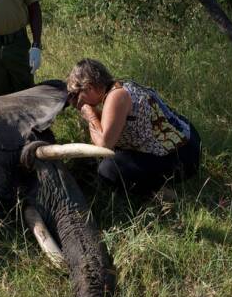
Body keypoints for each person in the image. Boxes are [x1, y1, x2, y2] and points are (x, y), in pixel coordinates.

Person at [66, 58, 201, 196]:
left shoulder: (116, 97)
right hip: (187, 143)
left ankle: (161, 194)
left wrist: (90, 116)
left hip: (183, 158)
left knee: (109, 170)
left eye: (76, 95)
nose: (75, 103)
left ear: (89, 87)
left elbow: (103, 146)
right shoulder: (120, 88)